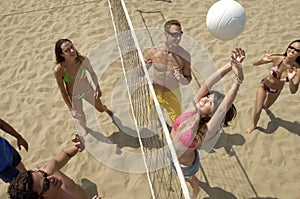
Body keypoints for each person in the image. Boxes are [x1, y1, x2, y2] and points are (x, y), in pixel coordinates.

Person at [170, 47, 245, 199]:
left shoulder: (206, 130)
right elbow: (208, 83)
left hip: (185, 165)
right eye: (208, 97)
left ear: (212, 113)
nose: (205, 99)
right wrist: (230, 65)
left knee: (190, 179)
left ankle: (196, 190)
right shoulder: (192, 108)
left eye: (210, 102)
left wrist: (237, 81)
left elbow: (224, 108)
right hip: (170, 153)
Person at [7, 133, 100, 199]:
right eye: (45, 184)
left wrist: (76, 146)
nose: (51, 177)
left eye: (43, 175)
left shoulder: (47, 170)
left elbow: (66, 154)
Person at [54, 39, 113, 136]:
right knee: (80, 116)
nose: (72, 51)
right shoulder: (59, 70)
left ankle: (105, 108)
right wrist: (71, 109)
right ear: (61, 54)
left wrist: (97, 88)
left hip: (88, 91)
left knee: (100, 109)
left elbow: (92, 73)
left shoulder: (82, 60)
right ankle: (84, 128)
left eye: (72, 47)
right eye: (67, 50)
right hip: (74, 96)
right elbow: (62, 91)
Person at [141, 20, 192, 126]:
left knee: (177, 124)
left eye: (180, 34)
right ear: (165, 34)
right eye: (174, 35)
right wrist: (143, 68)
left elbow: (188, 79)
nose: (178, 38)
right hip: (156, 92)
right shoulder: (153, 52)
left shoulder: (185, 56)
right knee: (155, 119)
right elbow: (139, 73)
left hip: (173, 93)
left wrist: (181, 78)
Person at [246, 39, 300, 134]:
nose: (292, 50)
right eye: (291, 47)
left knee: (265, 107)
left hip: (276, 91)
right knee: (258, 111)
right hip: (264, 86)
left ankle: (261, 107)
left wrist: (291, 79)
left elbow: (293, 91)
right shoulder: (278, 58)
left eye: (296, 50)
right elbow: (254, 64)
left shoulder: (297, 69)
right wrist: (262, 60)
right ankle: (254, 125)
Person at [0, 118, 28, 183]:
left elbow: (1, 124)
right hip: (2, 168)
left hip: (7, 150)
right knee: (21, 184)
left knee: (25, 173)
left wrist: (19, 137)